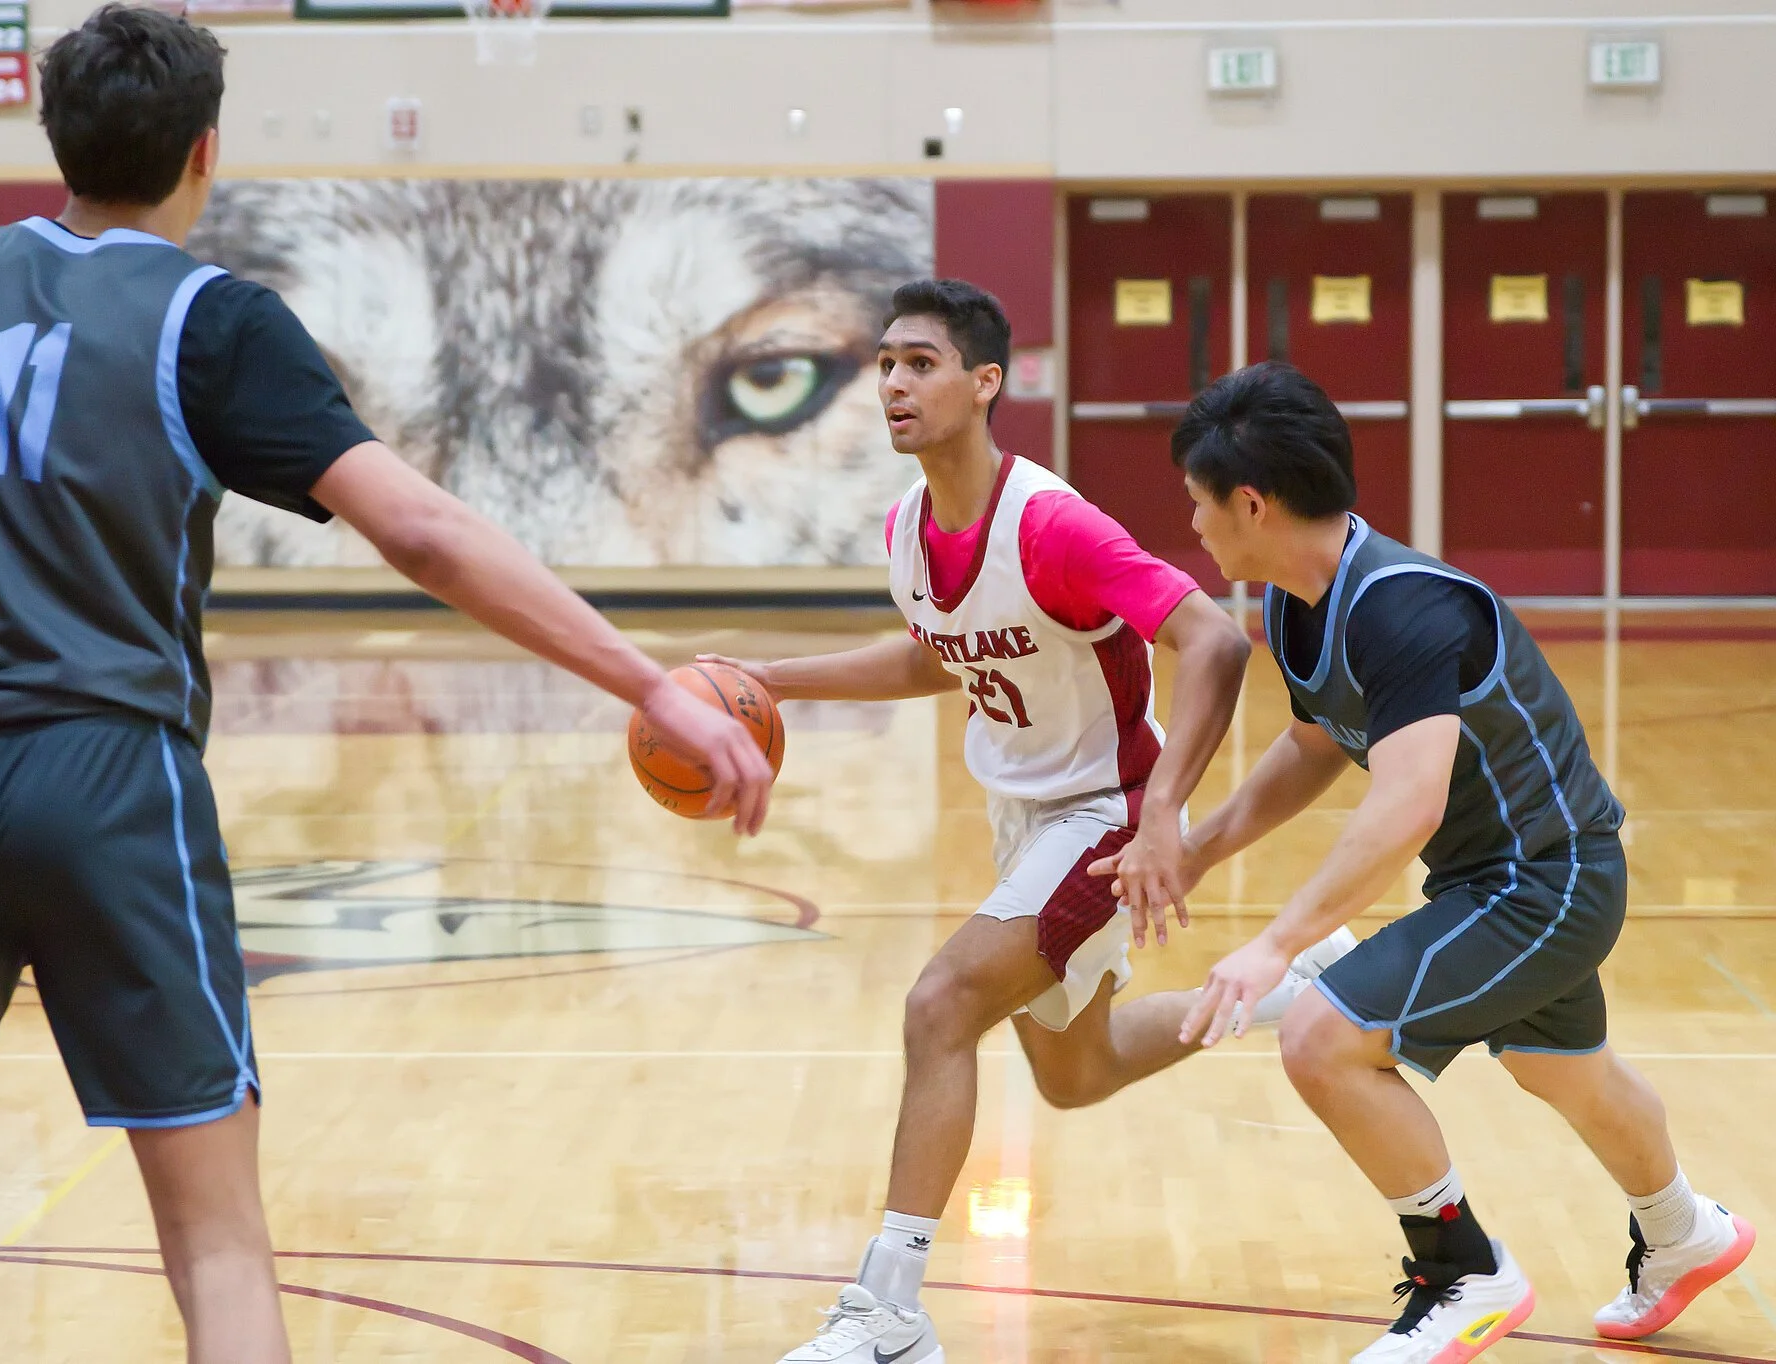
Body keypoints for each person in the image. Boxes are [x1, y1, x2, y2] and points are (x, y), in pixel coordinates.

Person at [0, 9, 772, 1362]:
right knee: (215, 1233)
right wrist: (652, 681)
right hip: (108, 784)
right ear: (206, 152)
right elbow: (427, 534)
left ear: (56, 138)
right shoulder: (212, 321)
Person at [706, 282, 1352, 1364]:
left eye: (920, 363)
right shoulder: (909, 526)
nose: (896, 384)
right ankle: (1293, 988)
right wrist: (767, 676)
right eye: (885, 365)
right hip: (1028, 812)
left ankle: (886, 1310)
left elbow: (1211, 641)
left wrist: (1156, 818)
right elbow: (935, 651)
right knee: (1076, 1071)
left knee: (939, 1002)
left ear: (983, 382)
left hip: (1104, 812)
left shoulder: (1050, 524)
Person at [1143, 361, 1755, 1363]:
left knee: (1319, 1035)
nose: (1195, 526)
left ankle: (1461, 1271)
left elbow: (1402, 802)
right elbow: (1312, 746)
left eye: (1198, 505)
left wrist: (1274, 944)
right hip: (1498, 881)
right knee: (1565, 1071)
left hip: (1543, 882)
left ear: (1248, 502)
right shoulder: (1299, 601)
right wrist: (1199, 849)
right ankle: (1686, 1230)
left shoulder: (1402, 607)